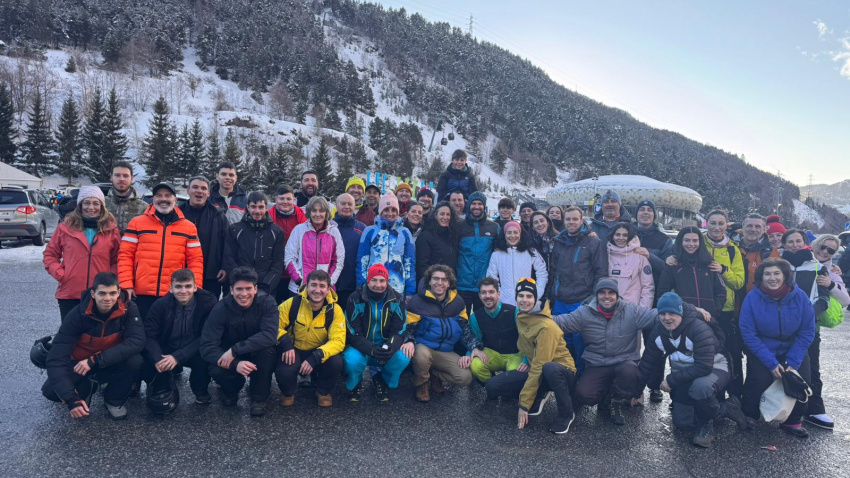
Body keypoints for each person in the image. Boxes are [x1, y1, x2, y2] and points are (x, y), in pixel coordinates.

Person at [634, 292, 747, 448]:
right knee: (682, 423)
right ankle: (725, 408)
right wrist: (635, 392)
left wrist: (671, 380)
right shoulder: (658, 331)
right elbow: (647, 362)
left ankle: (706, 425)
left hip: (715, 367)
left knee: (700, 387)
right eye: (663, 314)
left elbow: (704, 366)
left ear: (680, 312)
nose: (667, 318)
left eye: (672, 313)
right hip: (687, 371)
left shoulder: (698, 328)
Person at [551, 279, 659, 425]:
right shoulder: (585, 313)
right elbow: (561, 322)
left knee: (630, 372)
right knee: (584, 395)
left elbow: (657, 316)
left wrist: (684, 310)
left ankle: (616, 401)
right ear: (596, 295)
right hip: (597, 363)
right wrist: (534, 318)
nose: (606, 296)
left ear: (617, 295)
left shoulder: (632, 311)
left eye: (611, 293)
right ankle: (605, 396)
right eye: (602, 292)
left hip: (623, 362)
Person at [41, 272, 144, 420]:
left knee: (135, 360)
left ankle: (114, 400)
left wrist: (95, 360)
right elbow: (56, 359)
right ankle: (86, 388)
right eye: (102, 293)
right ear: (93, 294)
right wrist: (71, 399)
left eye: (112, 293)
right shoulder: (77, 315)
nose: (108, 298)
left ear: (118, 292)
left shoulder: (129, 308)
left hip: (108, 360)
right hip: (80, 363)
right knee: (51, 390)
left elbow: (137, 341)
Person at [486, 279, 578, 434]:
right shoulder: (521, 315)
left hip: (563, 372)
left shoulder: (546, 327)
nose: (524, 300)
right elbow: (527, 347)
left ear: (536, 298)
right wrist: (526, 360)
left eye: (529, 296)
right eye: (521, 295)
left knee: (549, 369)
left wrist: (524, 404)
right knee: (492, 386)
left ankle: (567, 414)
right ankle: (541, 392)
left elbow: (540, 365)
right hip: (539, 368)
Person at [739, 258, 815, 438]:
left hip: (793, 347)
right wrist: (771, 363)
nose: (772, 278)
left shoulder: (800, 296)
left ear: (785, 276)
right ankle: (750, 414)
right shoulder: (752, 298)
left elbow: (807, 331)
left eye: (776, 273)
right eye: (767, 274)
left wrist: (793, 362)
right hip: (763, 347)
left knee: (800, 380)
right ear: (761, 277)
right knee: (758, 379)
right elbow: (748, 333)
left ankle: (792, 420)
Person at [118, 182, 204, 320]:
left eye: (168, 195)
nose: (163, 199)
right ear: (153, 199)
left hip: (173, 292)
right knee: (142, 329)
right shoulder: (136, 223)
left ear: (175, 199)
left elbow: (195, 260)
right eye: (159, 195)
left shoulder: (189, 227)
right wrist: (126, 285)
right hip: (141, 293)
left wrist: (195, 287)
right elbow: (125, 255)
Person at [200, 267, 278, 415]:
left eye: (248, 289)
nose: (244, 294)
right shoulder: (220, 308)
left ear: (255, 289)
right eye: (239, 289)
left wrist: (236, 349)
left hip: (253, 350)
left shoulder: (268, 302)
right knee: (216, 367)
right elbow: (207, 345)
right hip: (230, 355)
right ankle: (232, 390)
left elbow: (270, 335)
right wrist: (235, 363)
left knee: (268, 351)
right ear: (231, 290)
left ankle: (259, 398)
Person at [406, 265, 485, 402]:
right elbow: (409, 329)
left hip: (446, 351)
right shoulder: (417, 301)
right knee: (421, 355)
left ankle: (435, 374)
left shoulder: (458, 302)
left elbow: (464, 329)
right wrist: (409, 341)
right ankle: (421, 383)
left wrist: (475, 347)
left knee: (465, 377)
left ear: (449, 283)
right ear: (429, 281)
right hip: (424, 347)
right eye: (435, 278)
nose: (439, 282)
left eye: (444, 279)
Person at [43, 185, 121, 321]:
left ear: (102, 206)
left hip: (100, 294)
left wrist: (110, 278)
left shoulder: (111, 230)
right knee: (70, 331)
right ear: (80, 205)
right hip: (70, 292)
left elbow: (117, 258)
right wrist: (62, 274)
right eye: (86, 203)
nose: (91, 207)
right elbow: (50, 255)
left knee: (97, 332)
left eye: (96, 203)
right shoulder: (64, 228)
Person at [545, 205, 607, 374]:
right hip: (560, 300)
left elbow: (601, 273)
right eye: (568, 219)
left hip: (582, 300)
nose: (571, 222)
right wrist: (551, 296)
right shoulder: (559, 241)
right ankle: (563, 375)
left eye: (575, 219)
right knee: (561, 342)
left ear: (581, 221)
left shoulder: (593, 243)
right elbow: (554, 271)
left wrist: (593, 298)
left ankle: (580, 378)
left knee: (580, 343)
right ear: (564, 221)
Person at [142, 269, 218, 405]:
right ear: (170, 288)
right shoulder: (160, 305)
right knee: (147, 356)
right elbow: (149, 335)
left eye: (188, 286)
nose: (183, 291)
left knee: (205, 355)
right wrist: (158, 358)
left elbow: (207, 337)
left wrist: (178, 357)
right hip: (168, 348)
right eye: (178, 287)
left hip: (195, 348)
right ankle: (161, 387)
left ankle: (200, 390)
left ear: (195, 287)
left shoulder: (208, 304)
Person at [275, 270, 346, 408]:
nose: (317, 290)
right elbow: (273, 326)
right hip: (294, 349)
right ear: (307, 286)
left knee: (336, 362)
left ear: (328, 289)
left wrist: (316, 356)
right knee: (284, 370)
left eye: (322, 286)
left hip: (319, 351)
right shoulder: (292, 303)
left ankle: (323, 392)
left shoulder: (335, 310)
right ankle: (288, 392)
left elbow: (338, 340)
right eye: (313, 285)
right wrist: (286, 344)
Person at [801, 234, 849, 430]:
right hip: (785, 323)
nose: (825, 251)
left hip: (812, 326)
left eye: (831, 250)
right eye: (823, 246)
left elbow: (845, 300)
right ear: (815, 245)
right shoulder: (799, 260)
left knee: (812, 367)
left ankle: (815, 408)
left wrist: (830, 284)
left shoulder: (832, 272)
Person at [343, 264, 410, 402]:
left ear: (387, 281)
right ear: (368, 280)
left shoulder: (397, 299)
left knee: (404, 356)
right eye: (374, 280)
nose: (378, 285)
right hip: (361, 347)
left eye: (382, 281)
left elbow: (399, 330)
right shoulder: (355, 298)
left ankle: (382, 380)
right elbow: (353, 333)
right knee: (352, 360)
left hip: (384, 346)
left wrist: (391, 347)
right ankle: (355, 383)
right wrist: (372, 349)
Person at [700, 209, 745, 397]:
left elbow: (739, 282)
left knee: (729, 353)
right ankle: (703, 394)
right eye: (713, 223)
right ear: (706, 224)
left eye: (721, 223)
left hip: (725, 310)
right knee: (702, 352)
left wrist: (723, 270)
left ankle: (735, 396)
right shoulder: (697, 243)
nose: (717, 227)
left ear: (727, 225)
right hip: (701, 307)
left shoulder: (733, 250)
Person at [657, 227, 727, 321]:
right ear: (681, 242)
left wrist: (714, 310)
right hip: (682, 318)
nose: (691, 244)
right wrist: (676, 311)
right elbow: (662, 293)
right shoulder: (673, 264)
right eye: (687, 240)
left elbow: (721, 291)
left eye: (695, 240)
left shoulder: (709, 263)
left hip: (708, 318)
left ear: (700, 242)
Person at [222, 191, 285, 295]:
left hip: (265, 287)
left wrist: (265, 287)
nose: (257, 211)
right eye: (253, 207)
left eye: (261, 207)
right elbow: (229, 258)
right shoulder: (234, 229)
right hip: (240, 285)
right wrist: (241, 283)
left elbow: (277, 265)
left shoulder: (277, 232)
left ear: (266, 208)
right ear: (248, 207)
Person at [357, 193, 416, 298]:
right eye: (386, 210)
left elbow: (409, 263)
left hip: (397, 287)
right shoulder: (369, 231)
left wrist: (410, 291)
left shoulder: (405, 232)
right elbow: (362, 261)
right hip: (374, 286)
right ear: (381, 211)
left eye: (393, 210)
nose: (390, 213)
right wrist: (361, 286)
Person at [467, 277, 525, 383]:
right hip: (492, 354)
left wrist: (526, 360)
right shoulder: (475, 317)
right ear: (479, 295)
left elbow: (526, 338)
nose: (487, 296)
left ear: (498, 294)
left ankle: (506, 386)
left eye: (491, 292)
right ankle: (491, 385)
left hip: (514, 354)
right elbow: (476, 341)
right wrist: (468, 355)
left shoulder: (514, 312)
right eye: (483, 292)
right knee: (475, 365)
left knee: (515, 374)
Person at [284, 196, 344, 295]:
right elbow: (289, 258)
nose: (317, 214)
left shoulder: (334, 232)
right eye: (314, 210)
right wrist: (300, 281)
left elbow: (338, 261)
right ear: (309, 212)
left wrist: (328, 283)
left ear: (326, 213)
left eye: (321, 211)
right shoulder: (299, 230)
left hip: (324, 290)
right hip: (299, 288)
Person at [179, 176, 228, 298]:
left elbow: (228, 244)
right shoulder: (177, 214)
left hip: (211, 274)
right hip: (180, 273)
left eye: (203, 188)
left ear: (208, 193)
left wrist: (225, 267)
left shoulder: (218, 215)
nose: (199, 191)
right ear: (188, 190)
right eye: (195, 187)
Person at [486, 221, 547, 307]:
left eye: (515, 232)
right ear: (504, 235)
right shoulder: (497, 255)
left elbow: (542, 273)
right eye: (509, 233)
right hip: (504, 302)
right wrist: (499, 295)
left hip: (526, 302)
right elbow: (491, 277)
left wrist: (536, 292)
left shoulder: (531, 252)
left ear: (520, 234)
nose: (512, 236)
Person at [456, 191, 499, 312]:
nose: (477, 206)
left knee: (483, 319)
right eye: (473, 203)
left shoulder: (494, 227)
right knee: (462, 318)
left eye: (480, 204)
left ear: (484, 206)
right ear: (469, 205)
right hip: (462, 284)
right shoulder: (459, 226)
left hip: (484, 284)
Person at [268, 184, 307, 303]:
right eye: (282, 198)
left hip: (295, 271)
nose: (285, 202)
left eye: (288, 199)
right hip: (274, 270)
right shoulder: (268, 217)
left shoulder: (302, 217)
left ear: (294, 200)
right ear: (276, 199)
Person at [607, 222, 654, 308]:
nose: (621, 238)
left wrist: (643, 311)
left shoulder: (640, 257)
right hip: (609, 308)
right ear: (612, 236)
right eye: (617, 234)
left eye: (625, 235)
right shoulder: (605, 256)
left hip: (632, 309)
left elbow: (647, 287)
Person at [333, 193, 366, 308]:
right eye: (343, 203)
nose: (346, 207)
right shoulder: (329, 227)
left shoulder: (362, 228)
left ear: (354, 206)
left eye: (350, 204)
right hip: (332, 283)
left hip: (353, 284)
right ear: (336, 206)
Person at [737, 213, 781, 298]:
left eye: (757, 227)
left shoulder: (770, 252)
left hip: (759, 300)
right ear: (742, 228)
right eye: (749, 226)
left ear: (764, 229)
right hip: (731, 302)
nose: (753, 229)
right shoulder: (731, 248)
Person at [633, 199, 674, 284]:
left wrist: (650, 256)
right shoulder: (625, 235)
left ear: (654, 215)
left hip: (653, 286)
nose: (646, 212)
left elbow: (667, 269)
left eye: (649, 210)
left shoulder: (664, 240)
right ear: (636, 215)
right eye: (642, 209)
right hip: (628, 286)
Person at [415, 201, 459, 280]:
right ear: (435, 215)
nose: (445, 217)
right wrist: (431, 281)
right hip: (433, 283)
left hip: (449, 282)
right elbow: (422, 265)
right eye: (442, 214)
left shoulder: (452, 236)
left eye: (448, 214)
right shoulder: (425, 236)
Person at [105, 160, 147, 234]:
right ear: (111, 177)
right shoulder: (101, 204)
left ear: (132, 178)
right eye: (117, 175)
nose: (121, 179)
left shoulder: (144, 208)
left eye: (125, 176)